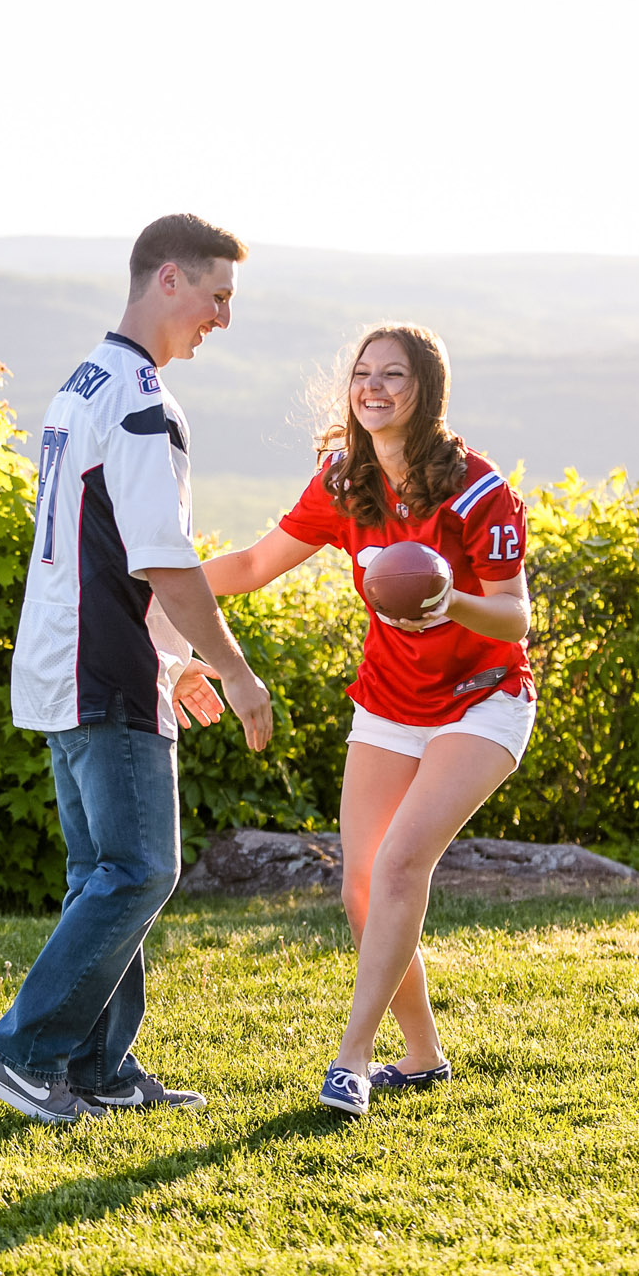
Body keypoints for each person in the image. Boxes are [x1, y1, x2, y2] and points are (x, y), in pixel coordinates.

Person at [0, 214, 274, 1124]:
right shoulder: (140, 398)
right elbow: (163, 561)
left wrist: (171, 657)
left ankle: (95, 1067)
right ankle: (19, 1052)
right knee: (140, 870)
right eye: (218, 297)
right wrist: (232, 670)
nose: (223, 318)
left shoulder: (82, 382)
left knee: (104, 869)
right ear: (168, 279)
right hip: (106, 668)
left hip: (70, 662)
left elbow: (97, 545)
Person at [201, 323, 534, 1118]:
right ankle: (422, 1054)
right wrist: (158, 585)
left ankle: (351, 1058)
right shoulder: (344, 480)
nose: (373, 387)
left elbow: (516, 618)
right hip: (389, 702)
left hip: (483, 698)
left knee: (397, 867)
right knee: (359, 884)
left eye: (395, 375)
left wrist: (449, 599)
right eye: (363, 373)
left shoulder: (479, 491)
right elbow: (251, 565)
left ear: (427, 392)